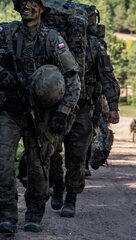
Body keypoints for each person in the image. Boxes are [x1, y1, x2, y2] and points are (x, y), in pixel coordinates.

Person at [0, 0, 81, 234]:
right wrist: (2, 74)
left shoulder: (53, 39)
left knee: (37, 166)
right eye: (24, 2)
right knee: (3, 161)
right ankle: (7, 214)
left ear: (42, 9)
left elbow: (73, 78)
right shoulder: (5, 32)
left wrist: (63, 112)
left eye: (33, 2)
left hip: (40, 115)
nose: (27, 6)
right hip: (9, 108)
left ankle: (34, 213)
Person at [49, 31, 121, 218]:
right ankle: (57, 183)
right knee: (51, 151)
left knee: (77, 155)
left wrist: (112, 106)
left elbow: (107, 75)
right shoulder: (52, 39)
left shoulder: (95, 46)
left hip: (83, 106)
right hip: (55, 106)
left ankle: (71, 198)